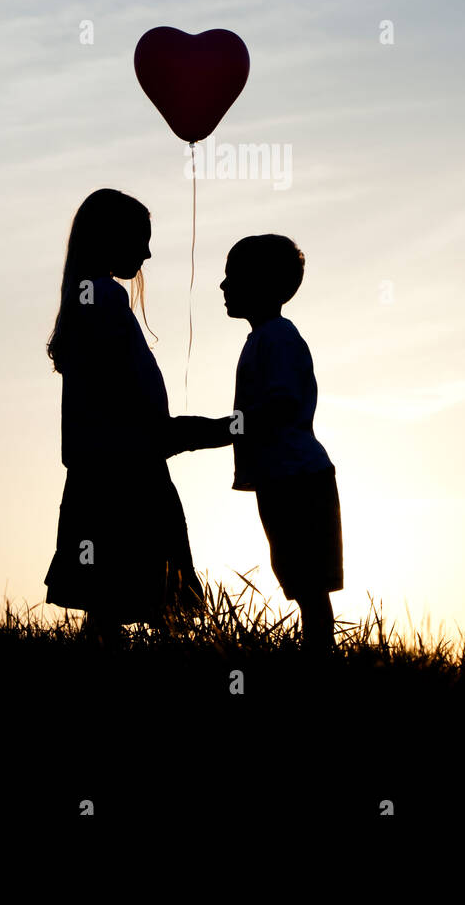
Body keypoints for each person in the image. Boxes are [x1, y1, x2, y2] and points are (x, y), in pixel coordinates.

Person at [169, 234, 343, 653]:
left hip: (297, 477)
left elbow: (280, 405)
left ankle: (321, 663)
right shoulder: (267, 337)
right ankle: (319, 660)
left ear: (262, 284)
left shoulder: (277, 337)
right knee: (300, 578)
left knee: (307, 582)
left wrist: (217, 430)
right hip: (286, 476)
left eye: (233, 277)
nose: (223, 286)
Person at [44, 188, 203, 646]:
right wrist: (167, 431)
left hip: (103, 465)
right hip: (126, 467)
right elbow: (123, 384)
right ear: (111, 238)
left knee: (106, 599)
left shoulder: (88, 297)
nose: (149, 252)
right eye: (141, 238)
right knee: (153, 596)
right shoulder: (102, 299)